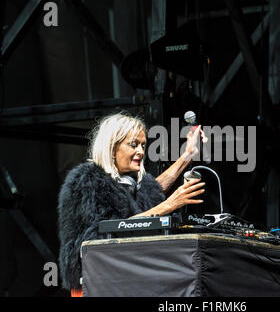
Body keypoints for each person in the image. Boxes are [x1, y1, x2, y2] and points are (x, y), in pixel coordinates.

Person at [57, 112, 206, 297]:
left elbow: (153, 190)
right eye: (133, 145)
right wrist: (169, 205)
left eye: (143, 145)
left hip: (127, 278)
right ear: (112, 147)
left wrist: (187, 156)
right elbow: (113, 230)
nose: (141, 152)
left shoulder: (130, 182)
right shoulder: (87, 181)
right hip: (94, 284)